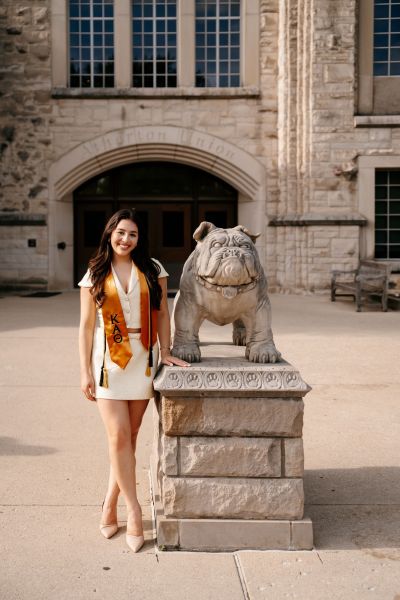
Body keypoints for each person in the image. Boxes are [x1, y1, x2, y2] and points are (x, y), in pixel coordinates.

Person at [78, 208, 189, 553]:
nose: (126, 239)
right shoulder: (95, 272)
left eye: (133, 234)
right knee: (118, 437)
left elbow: (162, 313)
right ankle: (135, 509)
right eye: (121, 232)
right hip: (109, 363)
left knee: (131, 438)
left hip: (142, 360)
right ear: (110, 233)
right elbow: (85, 326)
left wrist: (166, 350)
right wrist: (84, 371)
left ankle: (109, 502)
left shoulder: (152, 269)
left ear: (139, 239)